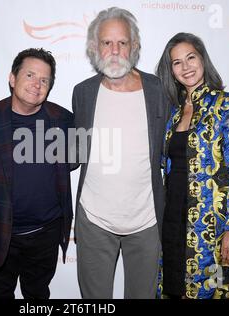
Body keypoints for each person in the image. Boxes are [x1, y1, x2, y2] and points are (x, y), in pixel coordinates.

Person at [71, 7, 169, 299]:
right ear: (94, 48)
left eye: (122, 43)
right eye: (106, 43)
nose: (114, 51)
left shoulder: (159, 90)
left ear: (134, 47)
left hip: (147, 220)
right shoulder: (83, 93)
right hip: (94, 219)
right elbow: (75, 149)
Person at [155, 32, 229, 299]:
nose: (186, 67)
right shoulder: (174, 113)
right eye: (177, 62)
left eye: (191, 57)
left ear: (203, 59)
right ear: (171, 71)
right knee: (174, 290)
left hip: (213, 229)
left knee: (215, 291)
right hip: (173, 224)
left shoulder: (228, 105)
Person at [0, 48, 74, 299]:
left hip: (46, 233)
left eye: (44, 80)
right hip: (0, 233)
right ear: (12, 78)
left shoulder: (64, 120)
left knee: (38, 295)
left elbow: (74, 162)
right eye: (30, 75)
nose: (37, 84)